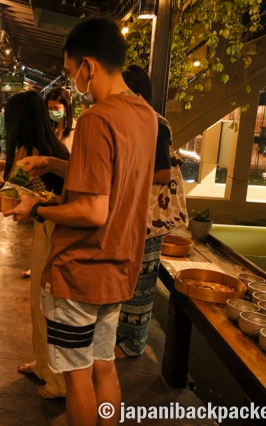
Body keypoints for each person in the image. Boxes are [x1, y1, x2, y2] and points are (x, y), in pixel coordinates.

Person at [4, 17, 157, 425]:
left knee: (77, 377)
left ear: (88, 66)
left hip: (80, 271)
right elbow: (112, 177)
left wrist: (35, 209)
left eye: (72, 73)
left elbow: (92, 211)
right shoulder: (144, 115)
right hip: (120, 267)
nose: (73, 82)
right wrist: (52, 162)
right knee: (104, 365)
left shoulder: (96, 119)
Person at [0, 90, 70, 399]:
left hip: (53, 229)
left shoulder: (33, 148)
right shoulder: (48, 147)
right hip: (54, 228)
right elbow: (21, 177)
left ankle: (57, 381)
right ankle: (43, 365)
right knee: (40, 304)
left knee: (46, 307)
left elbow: (12, 194)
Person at [116, 65, 188, 358]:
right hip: (131, 212)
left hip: (147, 216)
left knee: (142, 280)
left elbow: (161, 173)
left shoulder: (156, 124)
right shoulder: (135, 122)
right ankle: (122, 335)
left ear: (137, 95)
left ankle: (134, 343)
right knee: (127, 276)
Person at [45, 87, 75, 151]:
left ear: (66, 107)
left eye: (56, 108)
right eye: (50, 108)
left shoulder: (76, 129)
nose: (53, 111)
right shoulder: (48, 129)